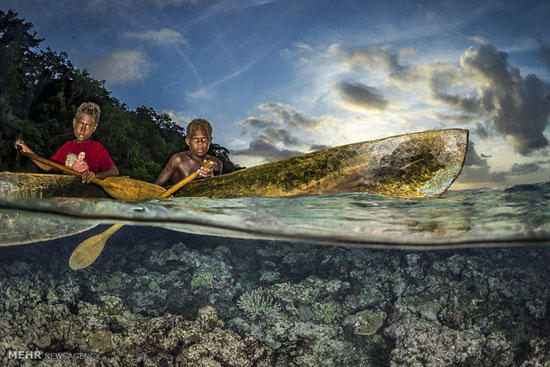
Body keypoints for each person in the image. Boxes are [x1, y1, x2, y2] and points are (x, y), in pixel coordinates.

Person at [15, 102, 119, 183]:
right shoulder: (67, 147)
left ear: (94, 127)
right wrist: (26, 149)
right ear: (75, 123)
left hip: (87, 195)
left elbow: (114, 171)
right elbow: (47, 166)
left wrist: (95, 175)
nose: (83, 129)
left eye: (88, 125)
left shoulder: (97, 148)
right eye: (81, 124)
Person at [154, 118, 222, 186]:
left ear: (210, 140)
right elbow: (156, 186)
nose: (200, 143)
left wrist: (211, 176)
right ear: (188, 141)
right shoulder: (178, 160)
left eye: (204, 139)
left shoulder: (216, 163)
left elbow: (216, 189)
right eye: (195, 139)